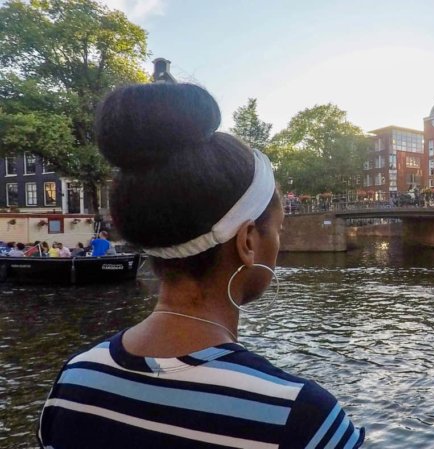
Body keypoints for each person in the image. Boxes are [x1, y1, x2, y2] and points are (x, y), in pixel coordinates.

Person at [38, 83, 364, 449]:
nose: (279, 243)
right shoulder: (302, 419)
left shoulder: (75, 381)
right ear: (248, 242)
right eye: (279, 229)